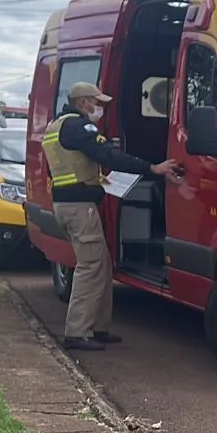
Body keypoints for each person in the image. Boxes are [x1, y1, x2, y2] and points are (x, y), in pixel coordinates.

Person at [40, 81, 179, 351]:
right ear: (82, 102)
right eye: (97, 102)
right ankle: (77, 332)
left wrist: (94, 180)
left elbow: (64, 168)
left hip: (68, 203)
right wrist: (152, 167)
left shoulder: (54, 127)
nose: (100, 108)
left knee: (101, 265)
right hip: (80, 208)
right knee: (90, 267)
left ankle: (98, 328)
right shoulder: (79, 127)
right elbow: (108, 155)